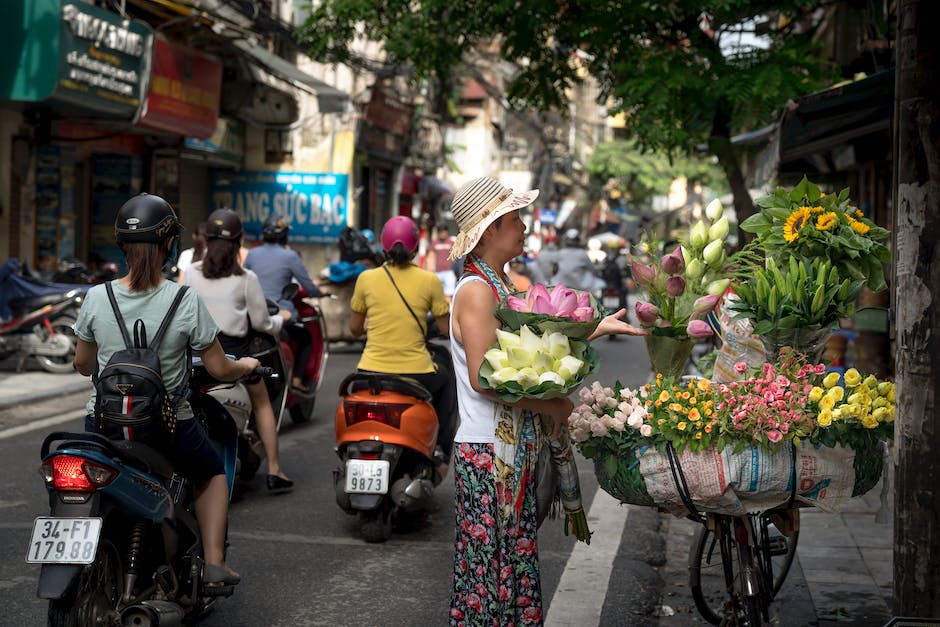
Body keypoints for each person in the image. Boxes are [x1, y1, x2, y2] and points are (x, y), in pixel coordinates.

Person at [445, 176, 646, 624]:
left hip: (509, 450)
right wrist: (551, 406)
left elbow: (537, 343)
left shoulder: (500, 285)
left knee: (510, 564)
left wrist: (598, 328)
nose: (524, 227)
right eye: (515, 219)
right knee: (489, 575)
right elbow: (483, 378)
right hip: (488, 453)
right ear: (490, 229)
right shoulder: (477, 292)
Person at [73, 193, 259, 586]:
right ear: (170, 245)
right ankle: (213, 563)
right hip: (168, 426)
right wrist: (246, 366)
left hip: (102, 425)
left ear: (122, 246)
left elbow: (83, 364)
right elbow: (218, 367)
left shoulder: (96, 297)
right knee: (211, 473)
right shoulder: (184, 300)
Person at [183, 209, 294, 491]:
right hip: (233, 360)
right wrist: (283, 319)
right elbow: (262, 323)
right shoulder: (246, 279)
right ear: (238, 243)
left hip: (195, 359)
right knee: (262, 403)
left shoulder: (191, 275)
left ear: (206, 239)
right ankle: (274, 468)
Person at [348, 215, 456, 458]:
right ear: (416, 248)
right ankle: (440, 447)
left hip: (369, 372)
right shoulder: (430, 280)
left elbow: (354, 329)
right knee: (446, 380)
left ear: (383, 246)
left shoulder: (366, 279)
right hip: (417, 373)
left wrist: (372, 325)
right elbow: (446, 329)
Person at [244, 215, 325, 393]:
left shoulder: (252, 254)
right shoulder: (290, 256)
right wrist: (321, 292)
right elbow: (310, 288)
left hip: (253, 316)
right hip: (282, 317)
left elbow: (243, 281)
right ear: (285, 235)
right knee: (306, 339)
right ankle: (296, 380)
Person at [550, 227, 605, 292]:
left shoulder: (560, 253)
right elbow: (591, 268)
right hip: (580, 287)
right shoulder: (582, 253)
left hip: (561, 285)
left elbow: (554, 268)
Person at [426, 224, 457, 299]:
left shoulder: (451, 242)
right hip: (437, 272)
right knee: (436, 294)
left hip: (449, 271)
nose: (442, 234)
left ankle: (448, 309)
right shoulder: (434, 243)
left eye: (444, 232)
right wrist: (430, 271)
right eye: (441, 232)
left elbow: (455, 257)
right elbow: (430, 257)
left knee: (449, 294)